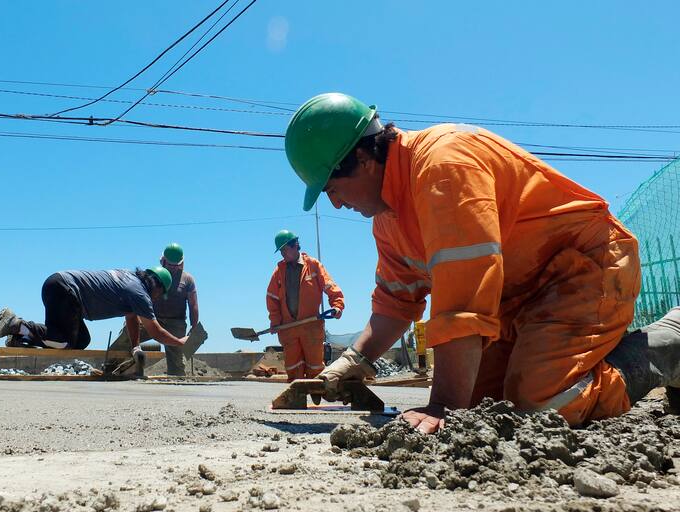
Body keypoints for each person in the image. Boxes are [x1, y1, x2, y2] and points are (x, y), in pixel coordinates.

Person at [283, 92, 680, 433]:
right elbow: (395, 303)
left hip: (582, 267)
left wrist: (441, 407)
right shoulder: (388, 220)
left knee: (539, 402)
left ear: (362, 160)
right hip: (516, 299)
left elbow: (466, 292)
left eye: (333, 188)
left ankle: (667, 345)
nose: (335, 203)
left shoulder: (443, 165)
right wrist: (354, 361)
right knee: (483, 407)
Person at [0, 267, 187, 355]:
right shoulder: (140, 293)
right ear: (158, 287)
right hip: (65, 291)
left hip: (59, 285)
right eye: (160, 295)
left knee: (81, 340)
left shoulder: (131, 279)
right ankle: (14, 324)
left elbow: (132, 318)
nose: (157, 299)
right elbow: (154, 331)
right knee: (65, 342)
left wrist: (135, 347)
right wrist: (180, 342)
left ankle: (22, 337)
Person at [110, 243, 199, 375]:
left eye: (177, 265)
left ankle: (177, 381)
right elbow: (139, 297)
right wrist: (135, 318)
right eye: (170, 265)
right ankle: (109, 367)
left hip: (175, 323)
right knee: (126, 336)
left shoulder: (188, 279)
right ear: (163, 261)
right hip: (151, 318)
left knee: (177, 359)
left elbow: (193, 304)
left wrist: (194, 327)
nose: (174, 268)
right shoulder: (153, 275)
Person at [266, 230, 344, 381]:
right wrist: (275, 322)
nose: (282, 254)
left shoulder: (313, 266)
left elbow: (329, 286)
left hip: (311, 326)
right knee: (293, 368)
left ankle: (317, 396)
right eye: (281, 251)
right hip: (288, 328)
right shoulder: (279, 271)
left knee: (315, 367)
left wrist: (337, 305)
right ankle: (296, 398)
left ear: (295, 246)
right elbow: (272, 299)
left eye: (284, 250)